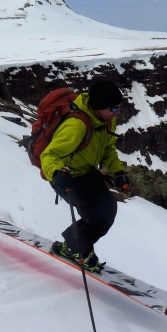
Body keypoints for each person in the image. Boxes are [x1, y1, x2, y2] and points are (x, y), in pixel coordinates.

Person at [42, 80, 130, 272]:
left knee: (107, 210)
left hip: (85, 170)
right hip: (66, 176)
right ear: (99, 107)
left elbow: (108, 148)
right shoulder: (76, 126)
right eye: (114, 108)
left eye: (119, 107)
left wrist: (118, 171)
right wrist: (56, 173)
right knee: (98, 215)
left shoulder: (106, 119)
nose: (117, 112)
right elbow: (49, 155)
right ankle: (74, 248)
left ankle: (73, 247)